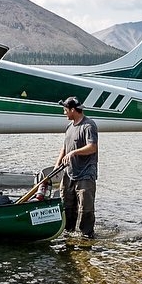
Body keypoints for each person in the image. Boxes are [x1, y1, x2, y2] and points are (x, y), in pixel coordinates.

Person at [53, 96, 98, 238]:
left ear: (73, 110)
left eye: (65, 110)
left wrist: (74, 152)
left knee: (85, 210)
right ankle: (68, 233)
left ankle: (87, 237)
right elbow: (65, 147)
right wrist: (57, 164)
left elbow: (92, 147)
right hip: (69, 173)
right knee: (66, 206)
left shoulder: (89, 125)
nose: (64, 113)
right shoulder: (69, 126)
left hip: (85, 174)